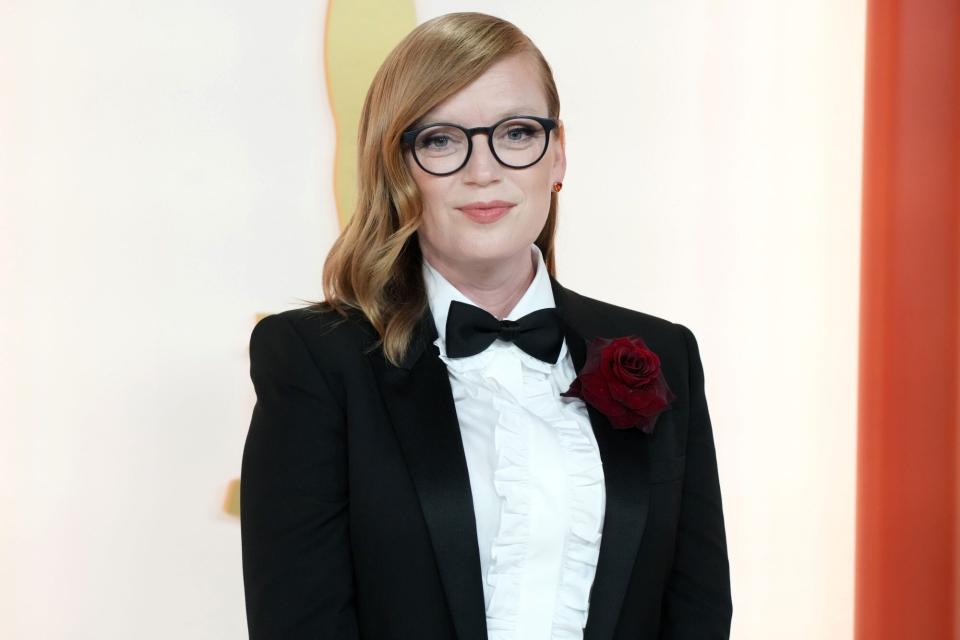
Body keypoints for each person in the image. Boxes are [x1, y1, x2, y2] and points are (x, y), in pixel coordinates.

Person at [240, 11, 731, 640]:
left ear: (557, 156)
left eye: (517, 132)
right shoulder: (314, 360)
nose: (483, 170)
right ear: (399, 171)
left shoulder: (664, 353)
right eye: (442, 139)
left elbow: (696, 615)